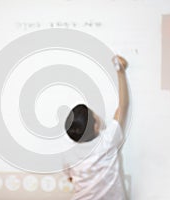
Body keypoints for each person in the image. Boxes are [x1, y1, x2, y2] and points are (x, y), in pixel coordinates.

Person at [64, 55, 130, 200]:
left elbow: (70, 178)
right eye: (94, 115)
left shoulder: (69, 154)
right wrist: (120, 72)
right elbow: (122, 107)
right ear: (95, 126)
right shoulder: (108, 140)